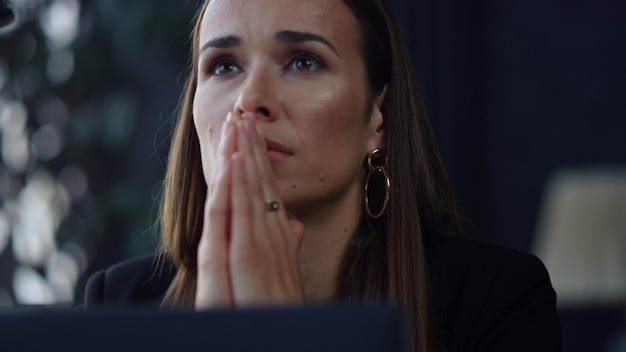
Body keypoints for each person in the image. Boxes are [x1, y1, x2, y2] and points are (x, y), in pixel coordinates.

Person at [84, 0, 562, 351]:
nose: (250, 100)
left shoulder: (498, 302)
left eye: (303, 61)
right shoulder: (119, 303)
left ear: (380, 118)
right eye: (224, 65)